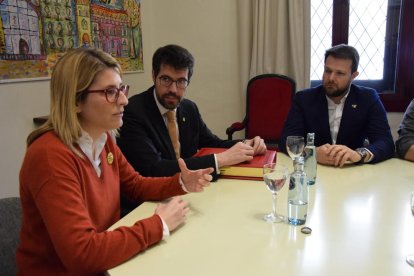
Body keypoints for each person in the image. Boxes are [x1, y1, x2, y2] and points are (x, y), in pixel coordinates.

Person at [16, 47, 213, 275]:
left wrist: (180, 183)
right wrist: (159, 225)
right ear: (76, 100)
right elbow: (83, 254)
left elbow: (135, 185)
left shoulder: (103, 138)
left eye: (121, 88)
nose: (124, 100)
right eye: (110, 92)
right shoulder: (49, 156)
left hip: (107, 264)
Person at [117, 44, 266, 180]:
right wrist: (220, 160)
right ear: (154, 76)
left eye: (181, 81)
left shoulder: (189, 108)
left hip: (190, 190)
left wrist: (247, 144)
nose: (173, 90)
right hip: (151, 200)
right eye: (166, 79)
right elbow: (154, 168)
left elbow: (212, 142)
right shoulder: (133, 112)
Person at [279, 44, 394, 167]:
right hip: (315, 170)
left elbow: (385, 142)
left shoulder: (368, 98)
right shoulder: (304, 99)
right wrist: (312, 152)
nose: (331, 78)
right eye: (328, 71)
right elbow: (287, 140)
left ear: (353, 76)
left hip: (351, 170)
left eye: (339, 73)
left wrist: (359, 154)